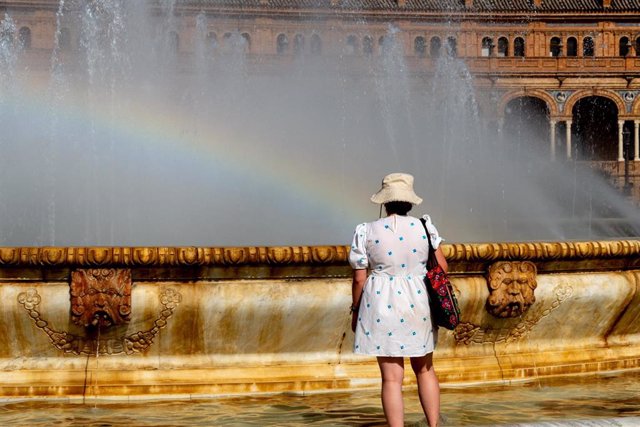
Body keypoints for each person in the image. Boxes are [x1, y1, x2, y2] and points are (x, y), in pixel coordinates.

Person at [348, 172, 447, 427]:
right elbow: (442, 268)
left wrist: (356, 310)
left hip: (380, 302)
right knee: (425, 370)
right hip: (418, 301)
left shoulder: (366, 230)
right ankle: (433, 425)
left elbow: (359, 278)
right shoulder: (425, 227)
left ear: (384, 201)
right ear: (410, 202)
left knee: (391, 379)